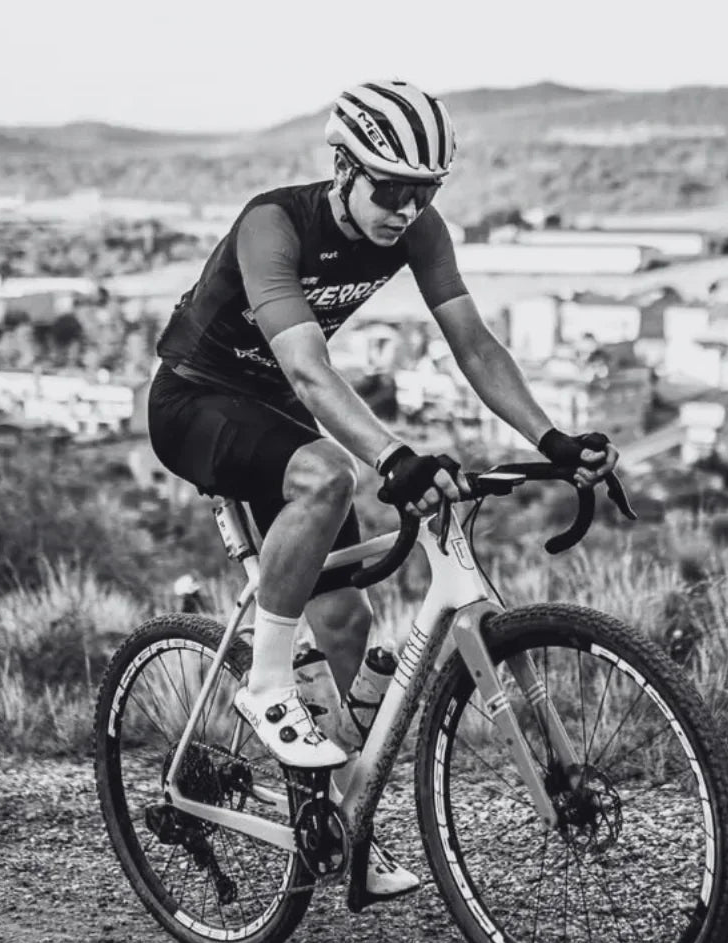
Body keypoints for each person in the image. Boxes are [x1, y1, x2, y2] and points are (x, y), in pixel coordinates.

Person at [148, 79, 619, 900]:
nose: (406, 209)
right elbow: (306, 366)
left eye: (423, 192)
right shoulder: (275, 223)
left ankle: (339, 823)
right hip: (194, 399)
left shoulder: (418, 231)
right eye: (391, 189)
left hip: (272, 413)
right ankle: (264, 687)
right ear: (343, 168)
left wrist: (549, 438)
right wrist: (393, 456)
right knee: (327, 473)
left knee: (344, 616)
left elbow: (472, 342)